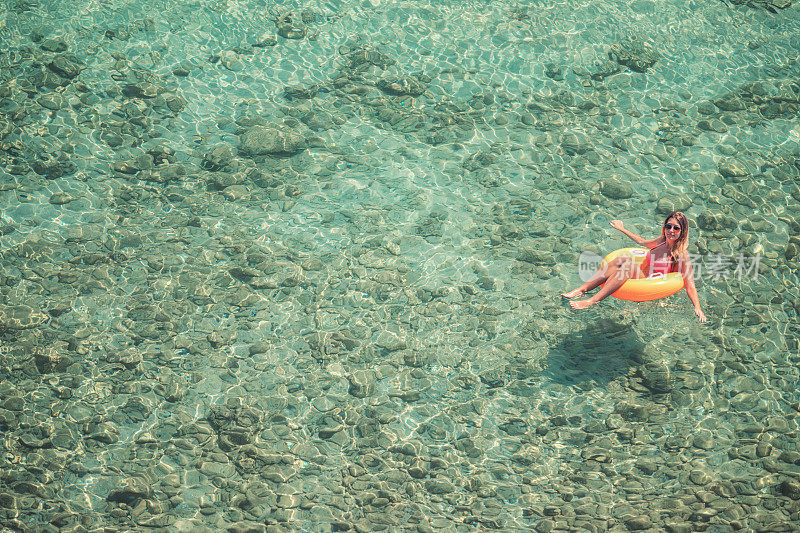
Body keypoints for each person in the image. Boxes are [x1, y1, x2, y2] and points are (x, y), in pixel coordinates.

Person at [561, 212, 707, 322]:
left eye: (676, 228)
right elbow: (642, 242)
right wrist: (622, 228)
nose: (671, 230)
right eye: (668, 226)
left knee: (626, 267)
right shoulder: (662, 240)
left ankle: (592, 301)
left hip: (652, 283)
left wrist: (697, 307)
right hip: (643, 274)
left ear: (682, 232)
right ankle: (582, 290)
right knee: (622, 259)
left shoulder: (681, 254)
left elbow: (690, 284)